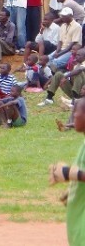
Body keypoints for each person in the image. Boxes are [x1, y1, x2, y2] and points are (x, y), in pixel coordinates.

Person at [48, 97, 85, 246]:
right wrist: (72, 190)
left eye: (77, 111)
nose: (74, 115)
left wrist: (69, 173)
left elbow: (78, 173)